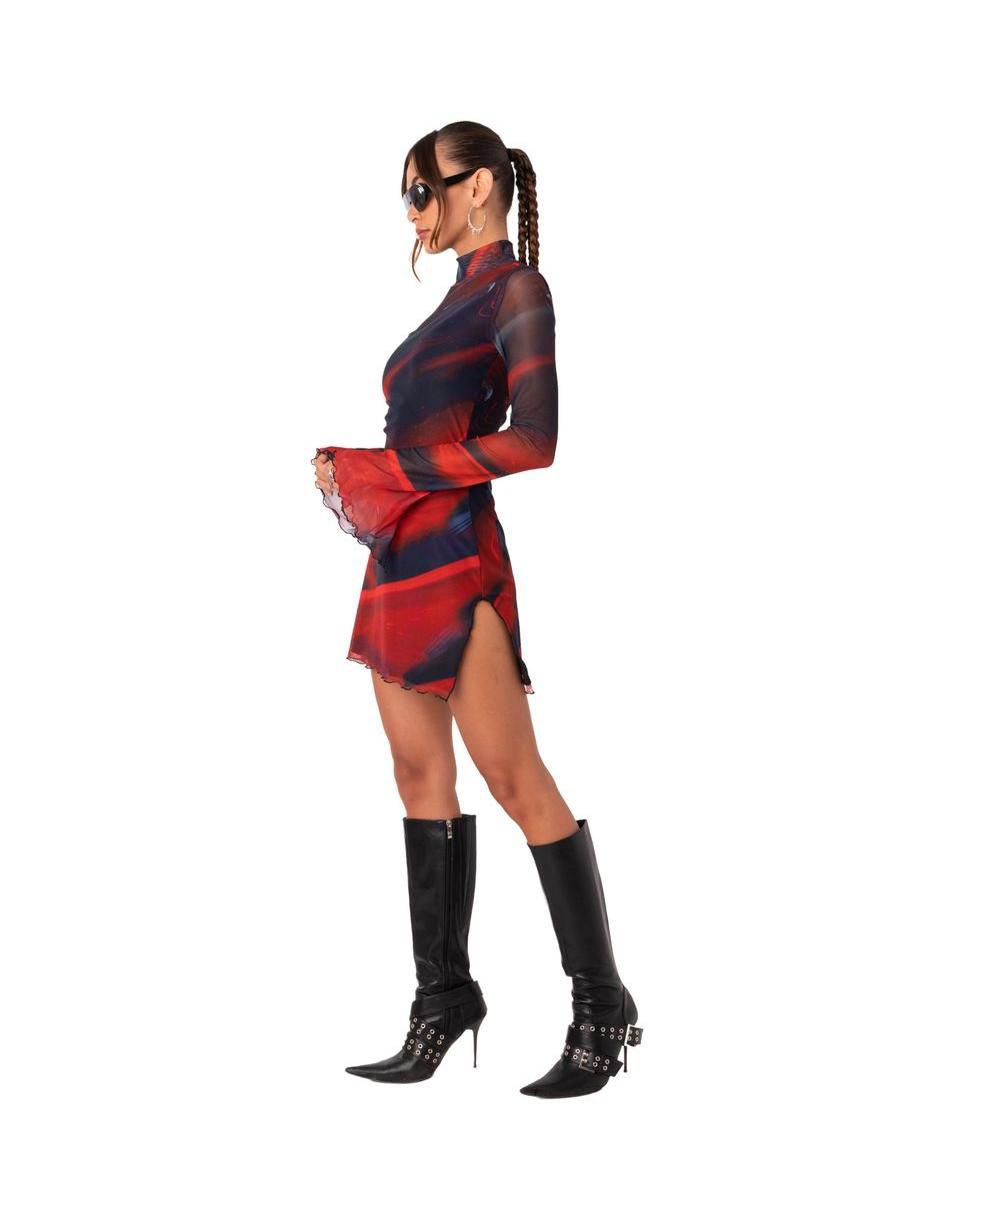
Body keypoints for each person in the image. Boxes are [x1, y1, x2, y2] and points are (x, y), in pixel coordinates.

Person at [311, 122, 642, 1097]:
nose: (413, 212)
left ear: (480, 189)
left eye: (425, 191)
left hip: (457, 558)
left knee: (512, 775)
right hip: (399, 559)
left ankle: (601, 1006)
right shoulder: (449, 303)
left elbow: (535, 441)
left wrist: (383, 469)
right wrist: (363, 478)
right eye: (407, 195)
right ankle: (442, 999)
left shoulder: (516, 290)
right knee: (417, 774)